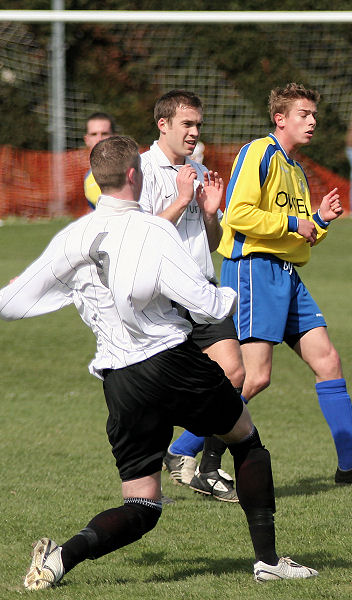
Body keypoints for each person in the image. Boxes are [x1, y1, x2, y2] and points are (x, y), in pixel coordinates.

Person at [0, 136, 318, 590]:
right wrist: (227, 294)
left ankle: (58, 561)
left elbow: (10, 302)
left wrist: (59, 290)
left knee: (142, 506)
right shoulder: (153, 230)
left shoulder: (73, 237)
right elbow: (206, 304)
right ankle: (267, 562)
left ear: (96, 179)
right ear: (136, 175)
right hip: (171, 362)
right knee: (246, 440)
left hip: (119, 380)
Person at [218, 83, 352, 486]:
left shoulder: (296, 170)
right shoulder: (258, 152)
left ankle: (350, 466)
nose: (312, 121)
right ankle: (185, 449)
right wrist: (295, 222)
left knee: (328, 360)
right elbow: (238, 214)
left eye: (314, 115)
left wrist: (320, 221)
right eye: (303, 114)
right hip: (254, 269)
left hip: (287, 274)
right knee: (254, 376)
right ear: (280, 119)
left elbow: (303, 235)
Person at [138, 90, 245, 503]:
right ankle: (154, 463)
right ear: (163, 124)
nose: (195, 132)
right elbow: (139, 238)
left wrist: (213, 213)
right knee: (165, 393)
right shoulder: (142, 171)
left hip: (203, 290)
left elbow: (213, 241)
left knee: (234, 373)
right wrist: (181, 202)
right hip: (163, 298)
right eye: (187, 124)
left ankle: (209, 468)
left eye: (198, 124)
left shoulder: (200, 170)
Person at [82, 112, 116, 210]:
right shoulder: (88, 179)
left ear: (114, 137)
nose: (99, 139)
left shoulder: (134, 170)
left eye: (104, 134)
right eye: (94, 134)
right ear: (87, 140)